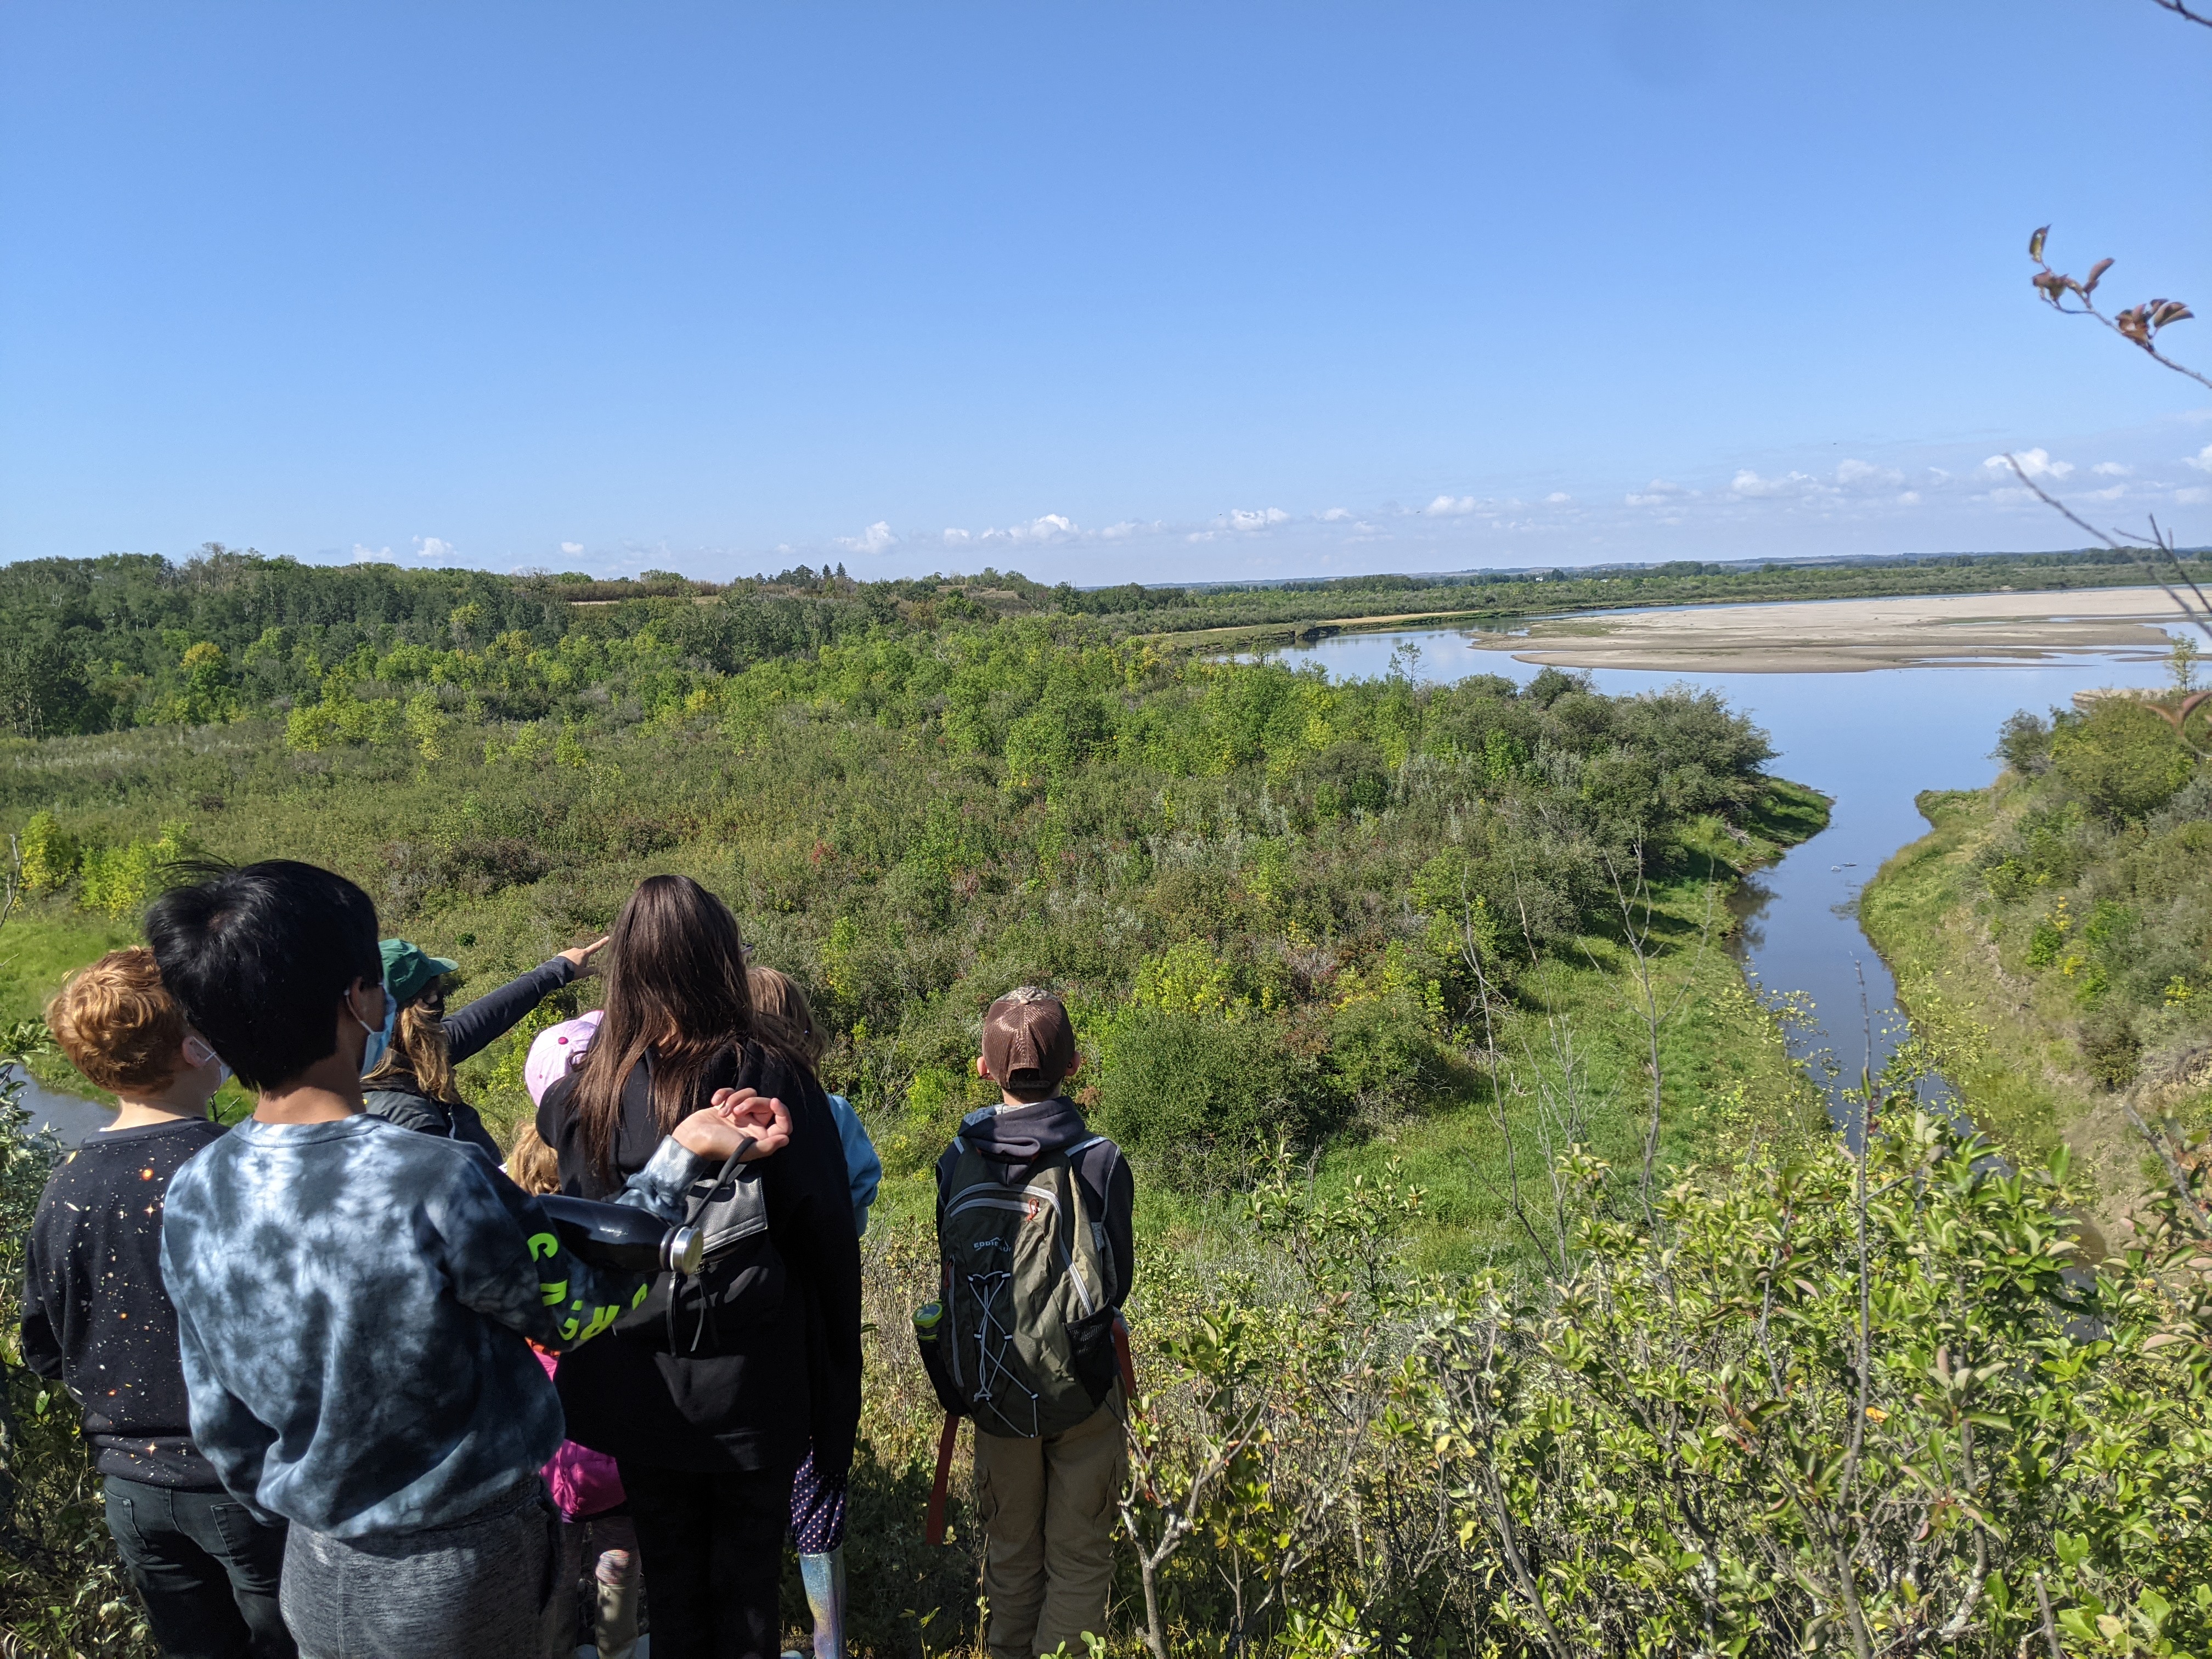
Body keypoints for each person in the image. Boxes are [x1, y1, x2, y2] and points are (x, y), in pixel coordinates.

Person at [146, 860, 787, 1659]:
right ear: (360, 999)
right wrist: (680, 1156)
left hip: (312, 1568)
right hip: (460, 1573)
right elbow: (577, 1309)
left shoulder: (198, 1186)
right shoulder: (435, 1178)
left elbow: (221, 1423)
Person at [537, 876, 863, 1659]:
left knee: (674, 1597)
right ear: (721, 959)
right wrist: (835, 1405)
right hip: (754, 1386)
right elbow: (827, 1245)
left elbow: (586, 1234)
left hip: (637, 1388)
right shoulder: (768, 1076)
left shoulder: (594, 1090)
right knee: (747, 1604)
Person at [22, 949, 296, 1659]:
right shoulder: (244, 1167)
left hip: (131, 1490)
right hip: (249, 1479)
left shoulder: (65, 1187)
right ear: (190, 1047)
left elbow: (43, 1347)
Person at [936, 989, 1133, 1659]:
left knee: (1012, 1553)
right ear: (1074, 1065)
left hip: (993, 1387)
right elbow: (1117, 1282)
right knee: (1079, 1560)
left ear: (983, 1068)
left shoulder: (955, 1159)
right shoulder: (1100, 1159)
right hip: (1084, 1383)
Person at [746, 966, 882, 1659]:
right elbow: (859, 1194)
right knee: (818, 1491)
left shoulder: (720, 1114)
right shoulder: (832, 1111)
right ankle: (830, 1645)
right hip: (817, 1328)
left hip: (750, 1336)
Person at [506, 1123, 640, 1659]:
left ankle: (556, 1648)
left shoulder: (516, 1254)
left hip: (548, 1458)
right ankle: (616, 1649)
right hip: (617, 1448)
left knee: (556, 1572)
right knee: (619, 1560)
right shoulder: (614, 1246)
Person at [363, 936, 608, 1159]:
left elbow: (486, 1016)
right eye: (435, 993)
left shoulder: (407, 1055)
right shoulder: (412, 1121)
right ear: (425, 1003)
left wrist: (557, 970)